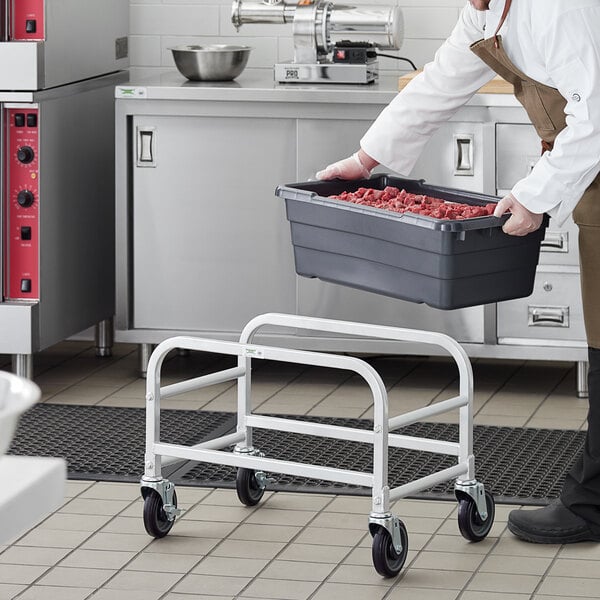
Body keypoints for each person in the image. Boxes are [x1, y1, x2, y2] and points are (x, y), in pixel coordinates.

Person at [316, 0, 600, 545]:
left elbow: (596, 109)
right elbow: (441, 82)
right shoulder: (487, 10)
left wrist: (536, 196)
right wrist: (366, 159)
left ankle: (594, 503)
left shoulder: (559, 7)